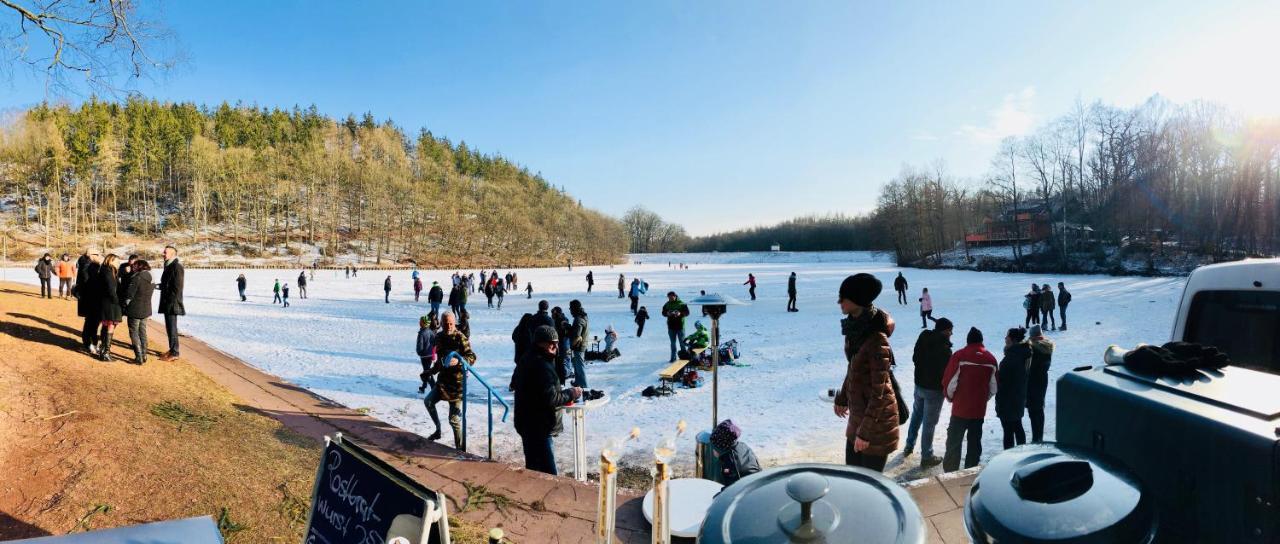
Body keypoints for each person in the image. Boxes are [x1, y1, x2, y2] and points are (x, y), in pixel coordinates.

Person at [832, 273, 898, 472]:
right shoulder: (855, 331)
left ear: (857, 300)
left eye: (843, 297)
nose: (839, 302)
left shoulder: (876, 339)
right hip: (859, 419)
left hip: (876, 426)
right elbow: (854, 368)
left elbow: (879, 392)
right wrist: (842, 397)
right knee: (852, 478)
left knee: (868, 487)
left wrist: (865, 433)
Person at [513, 325, 582, 475]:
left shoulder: (528, 357)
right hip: (539, 426)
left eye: (556, 342)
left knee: (533, 469)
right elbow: (551, 398)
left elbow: (518, 384)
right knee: (549, 474)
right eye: (552, 342)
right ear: (540, 343)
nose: (556, 346)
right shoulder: (541, 364)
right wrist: (572, 393)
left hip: (527, 423)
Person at [941, 327, 998, 472]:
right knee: (974, 443)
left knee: (954, 442)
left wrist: (951, 398)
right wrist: (983, 399)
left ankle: (950, 474)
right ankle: (970, 472)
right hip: (978, 410)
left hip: (960, 408)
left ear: (968, 341)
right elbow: (994, 387)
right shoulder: (991, 359)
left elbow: (949, 381)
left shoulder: (959, 356)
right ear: (981, 341)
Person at [423, 312, 476, 448]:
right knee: (428, 401)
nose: (448, 326)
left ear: (454, 323)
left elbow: (472, 357)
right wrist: (430, 371)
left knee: (453, 420)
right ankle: (438, 430)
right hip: (443, 382)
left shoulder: (460, 337)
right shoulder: (439, 337)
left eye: (451, 323)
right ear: (442, 323)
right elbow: (440, 361)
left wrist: (459, 361)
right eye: (446, 324)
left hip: (457, 384)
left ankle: (460, 448)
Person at [905, 317, 952, 468]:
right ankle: (927, 456)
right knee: (929, 423)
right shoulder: (945, 349)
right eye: (950, 331)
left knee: (916, 415)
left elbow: (914, 358)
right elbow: (946, 373)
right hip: (934, 391)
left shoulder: (923, 337)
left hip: (919, 385)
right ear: (944, 330)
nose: (951, 334)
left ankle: (909, 445)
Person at [996, 327, 1031, 449]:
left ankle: (1009, 457)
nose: (1005, 338)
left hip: (1008, 400)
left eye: (1007, 336)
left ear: (1013, 339)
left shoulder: (1011, 358)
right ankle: (1022, 452)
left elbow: (1002, 381)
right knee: (1017, 426)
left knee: (1008, 431)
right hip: (1018, 397)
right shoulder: (1022, 353)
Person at [709, 419, 762, 486]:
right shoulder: (742, 445)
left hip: (750, 490)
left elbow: (730, 490)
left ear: (721, 447)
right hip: (758, 483)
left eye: (714, 447)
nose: (713, 450)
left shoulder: (730, 463)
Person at [123, 259, 155, 365]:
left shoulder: (137, 277)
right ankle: (144, 355)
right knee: (142, 332)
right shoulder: (151, 277)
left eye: (135, 266)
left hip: (135, 309)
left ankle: (138, 357)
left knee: (134, 332)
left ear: (140, 267)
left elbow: (129, 295)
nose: (133, 267)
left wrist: (124, 305)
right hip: (146, 309)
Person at [94, 254, 125, 361]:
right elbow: (111, 289)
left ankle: (103, 350)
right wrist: (117, 302)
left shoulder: (107, 270)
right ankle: (105, 352)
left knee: (107, 325)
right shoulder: (108, 271)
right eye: (117, 261)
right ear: (111, 261)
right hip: (110, 303)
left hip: (106, 302)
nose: (118, 263)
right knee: (110, 325)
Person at [1026, 325, 1054, 442]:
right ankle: (1039, 436)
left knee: (1033, 411)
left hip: (1033, 382)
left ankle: (1036, 438)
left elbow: (1030, 368)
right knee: (1039, 409)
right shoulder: (1046, 348)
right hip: (1042, 380)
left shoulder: (1034, 350)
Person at [158, 245, 185, 361]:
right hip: (167, 301)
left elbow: (178, 288)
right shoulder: (168, 266)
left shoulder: (177, 267)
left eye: (165, 252)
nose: (163, 254)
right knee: (169, 327)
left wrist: (171, 301)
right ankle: (172, 349)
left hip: (172, 303)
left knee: (172, 328)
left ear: (172, 254)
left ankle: (175, 352)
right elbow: (166, 284)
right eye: (164, 252)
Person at [75, 249, 103, 354]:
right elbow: (88, 283)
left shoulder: (87, 264)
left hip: (89, 298)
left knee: (91, 322)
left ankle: (90, 342)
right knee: (92, 322)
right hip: (90, 298)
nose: (99, 256)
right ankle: (89, 343)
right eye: (97, 254)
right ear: (91, 255)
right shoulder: (88, 265)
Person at [662, 292, 690, 362]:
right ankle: (673, 358)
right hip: (671, 326)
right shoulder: (667, 304)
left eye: (671, 297)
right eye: (669, 297)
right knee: (673, 343)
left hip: (680, 326)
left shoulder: (682, 303)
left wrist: (680, 313)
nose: (670, 298)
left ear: (675, 296)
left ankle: (684, 356)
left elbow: (687, 313)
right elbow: (663, 312)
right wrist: (667, 313)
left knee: (682, 342)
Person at [569, 300, 590, 388]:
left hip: (578, 346)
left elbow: (577, 336)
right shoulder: (583, 316)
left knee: (580, 367)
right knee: (577, 366)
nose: (570, 310)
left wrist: (571, 346)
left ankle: (585, 387)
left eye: (570, 308)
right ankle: (578, 382)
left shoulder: (578, 319)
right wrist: (569, 327)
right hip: (582, 345)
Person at [416, 314, 438, 394]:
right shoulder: (431, 332)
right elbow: (435, 342)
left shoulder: (422, 333)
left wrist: (419, 351)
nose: (419, 322)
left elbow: (420, 344)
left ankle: (434, 388)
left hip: (424, 355)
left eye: (420, 321)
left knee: (427, 372)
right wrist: (433, 352)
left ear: (423, 323)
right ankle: (423, 387)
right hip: (430, 354)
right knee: (426, 370)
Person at [552, 306, 572, 385]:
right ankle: (566, 372)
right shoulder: (558, 319)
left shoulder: (562, 320)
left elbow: (565, 330)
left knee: (566, 357)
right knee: (564, 358)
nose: (552, 315)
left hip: (564, 341)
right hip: (562, 341)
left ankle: (567, 372)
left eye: (553, 313)